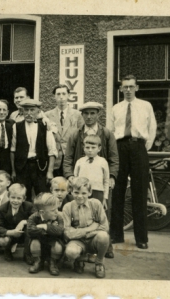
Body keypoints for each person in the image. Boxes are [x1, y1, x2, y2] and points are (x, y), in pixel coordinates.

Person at [63, 101, 118, 258]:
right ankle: (82, 245)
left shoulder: (106, 134)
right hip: (81, 186)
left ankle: (105, 246)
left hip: (100, 184)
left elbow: (114, 157)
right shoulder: (76, 134)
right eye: (86, 113)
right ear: (82, 115)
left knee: (103, 214)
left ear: (98, 114)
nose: (89, 116)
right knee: (82, 214)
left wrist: (112, 176)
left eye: (92, 113)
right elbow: (68, 158)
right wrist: (70, 176)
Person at [109, 74, 157, 250]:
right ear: (121, 89)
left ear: (137, 88)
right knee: (118, 193)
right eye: (125, 87)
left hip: (138, 148)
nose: (128, 90)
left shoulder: (146, 106)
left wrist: (144, 148)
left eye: (131, 86)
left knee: (139, 193)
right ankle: (116, 235)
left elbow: (152, 128)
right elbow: (111, 130)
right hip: (120, 148)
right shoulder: (116, 108)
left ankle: (141, 238)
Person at [10, 99, 57, 202]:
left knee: (43, 197)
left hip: (40, 168)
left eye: (32, 110)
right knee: (22, 197)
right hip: (22, 168)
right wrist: (13, 171)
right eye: (26, 110)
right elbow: (13, 150)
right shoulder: (17, 126)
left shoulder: (45, 126)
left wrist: (49, 171)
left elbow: (52, 151)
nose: (29, 113)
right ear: (22, 111)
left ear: (38, 111)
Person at [63, 177, 110, 278]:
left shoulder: (96, 204)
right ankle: (80, 259)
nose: (80, 196)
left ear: (90, 192)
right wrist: (90, 228)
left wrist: (82, 232)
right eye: (76, 192)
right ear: (71, 192)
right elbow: (67, 232)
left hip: (93, 239)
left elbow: (104, 227)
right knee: (70, 252)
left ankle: (99, 263)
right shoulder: (67, 207)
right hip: (77, 241)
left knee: (103, 236)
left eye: (84, 193)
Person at [45, 84, 84, 177]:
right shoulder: (47, 115)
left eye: (63, 94)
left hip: (71, 156)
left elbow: (81, 136)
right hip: (54, 158)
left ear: (68, 95)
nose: (61, 97)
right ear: (54, 96)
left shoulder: (77, 115)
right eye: (58, 94)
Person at [0, 183, 36, 262]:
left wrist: (24, 221)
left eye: (19, 198)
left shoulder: (29, 206)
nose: (15, 201)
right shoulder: (2, 209)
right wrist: (12, 232)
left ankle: (27, 253)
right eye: (13, 197)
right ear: (8, 196)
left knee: (30, 228)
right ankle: (7, 250)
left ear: (24, 199)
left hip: (24, 235)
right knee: (4, 240)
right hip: (10, 235)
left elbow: (36, 219)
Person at [27, 192, 65, 276]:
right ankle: (38, 262)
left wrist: (45, 226)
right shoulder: (33, 217)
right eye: (53, 210)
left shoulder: (58, 217)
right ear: (42, 212)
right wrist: (50, 229)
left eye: (57, 209)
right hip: (40, 242)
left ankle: (53, 263)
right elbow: (30, 230)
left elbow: (59, 231)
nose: (56, 212)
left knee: (58, 247)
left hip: (53, 242)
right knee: (34, 243)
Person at [74, 135, 109, 207]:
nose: (90, 150)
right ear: (83, 148)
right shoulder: (80, 161)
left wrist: (105, 198)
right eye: (87, 147)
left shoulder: (103, 162)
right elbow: (75, 179)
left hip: (98, 192)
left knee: (96, 211)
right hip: (83, 192)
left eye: (93, 148)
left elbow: (106, 180)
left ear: (99, 148)